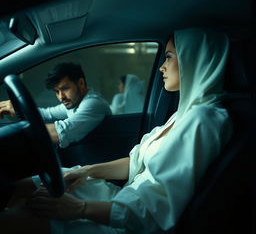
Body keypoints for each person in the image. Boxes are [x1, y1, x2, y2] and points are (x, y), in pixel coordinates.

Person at [0, 28, 232, 233]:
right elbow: (135, 162)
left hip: (131, 220)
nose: (162, 66)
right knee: (35, 183)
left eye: (169, 57)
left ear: (194, 60)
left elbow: (158, 212)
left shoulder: (205, 120)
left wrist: (79, 209)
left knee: (20, 219)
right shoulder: (182, 115)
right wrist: (84, 172)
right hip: (125, 199)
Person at [0, 62, 112, 148]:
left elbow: (61, 132)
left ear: (81, 83)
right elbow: (46, 114)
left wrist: (13, 133)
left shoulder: (93, 103)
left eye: (65, 88)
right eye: (56, 91)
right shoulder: (74, 103)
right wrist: (18, 108)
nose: (61, 96)